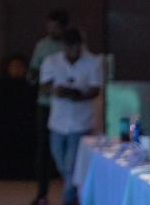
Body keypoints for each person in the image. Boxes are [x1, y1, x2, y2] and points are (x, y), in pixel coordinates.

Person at [40, 27, 102, 205]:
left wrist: (78, 95)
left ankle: (68, 200)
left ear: (81, 45)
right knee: (60, 161)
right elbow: (43, 86)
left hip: (80, 121)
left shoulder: (93, 62)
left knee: (71, 164)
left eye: (76, 47)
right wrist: (57, 90)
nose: (73, 51)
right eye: (69, 47)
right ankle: (74, 192)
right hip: (57, 121)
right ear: (64, 46)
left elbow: (95, 89)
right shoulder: (52, 61)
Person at [29, 8, 68, 204]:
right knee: (43, 150)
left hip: (67, 106)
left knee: (65, 152)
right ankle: (42, 194)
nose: (52, 30)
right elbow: (33, 72)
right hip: (46, 104)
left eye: (56, 27)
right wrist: (39, 77)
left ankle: (70, 192)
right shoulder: (42, 46)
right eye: (49, 27)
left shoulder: (70, 46)